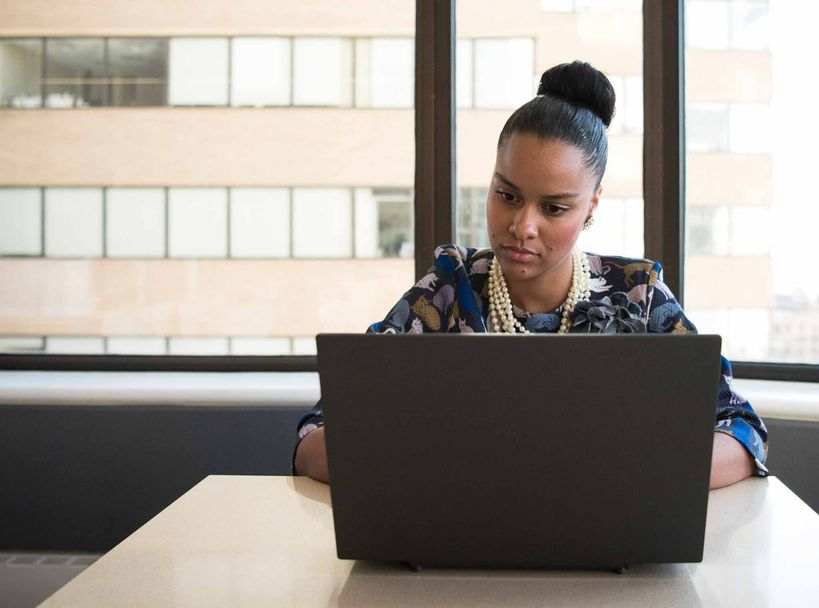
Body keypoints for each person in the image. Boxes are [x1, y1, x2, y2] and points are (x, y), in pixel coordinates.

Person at [293, 61, 768, 489]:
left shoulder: (638, 297)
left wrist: (630, 471)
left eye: (555, 208)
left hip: (609, 556)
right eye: (508, 196)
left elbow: (742, 431)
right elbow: (316, 435)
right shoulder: (447, 290)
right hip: (460, 550)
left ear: (592, 205)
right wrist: (434, 464)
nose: (522, 227)